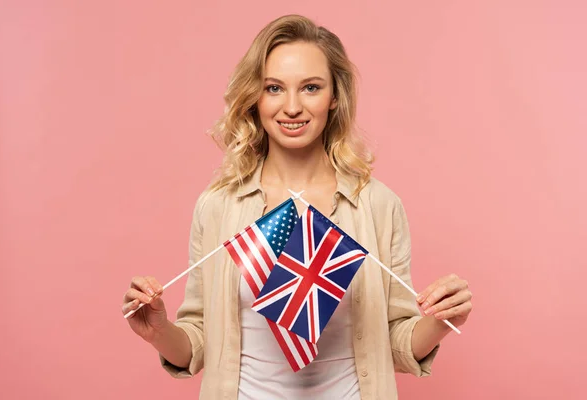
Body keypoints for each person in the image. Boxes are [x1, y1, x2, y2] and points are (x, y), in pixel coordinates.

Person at [121, 14, 472, 400]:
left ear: (334, 96)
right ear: (255, 96)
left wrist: (440, 321)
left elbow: (397, 343)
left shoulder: (378, 205)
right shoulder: (218, 205)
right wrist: (158, 331)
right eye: (274, 88)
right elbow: (198, 343)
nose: (291, 107)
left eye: (310, 87)